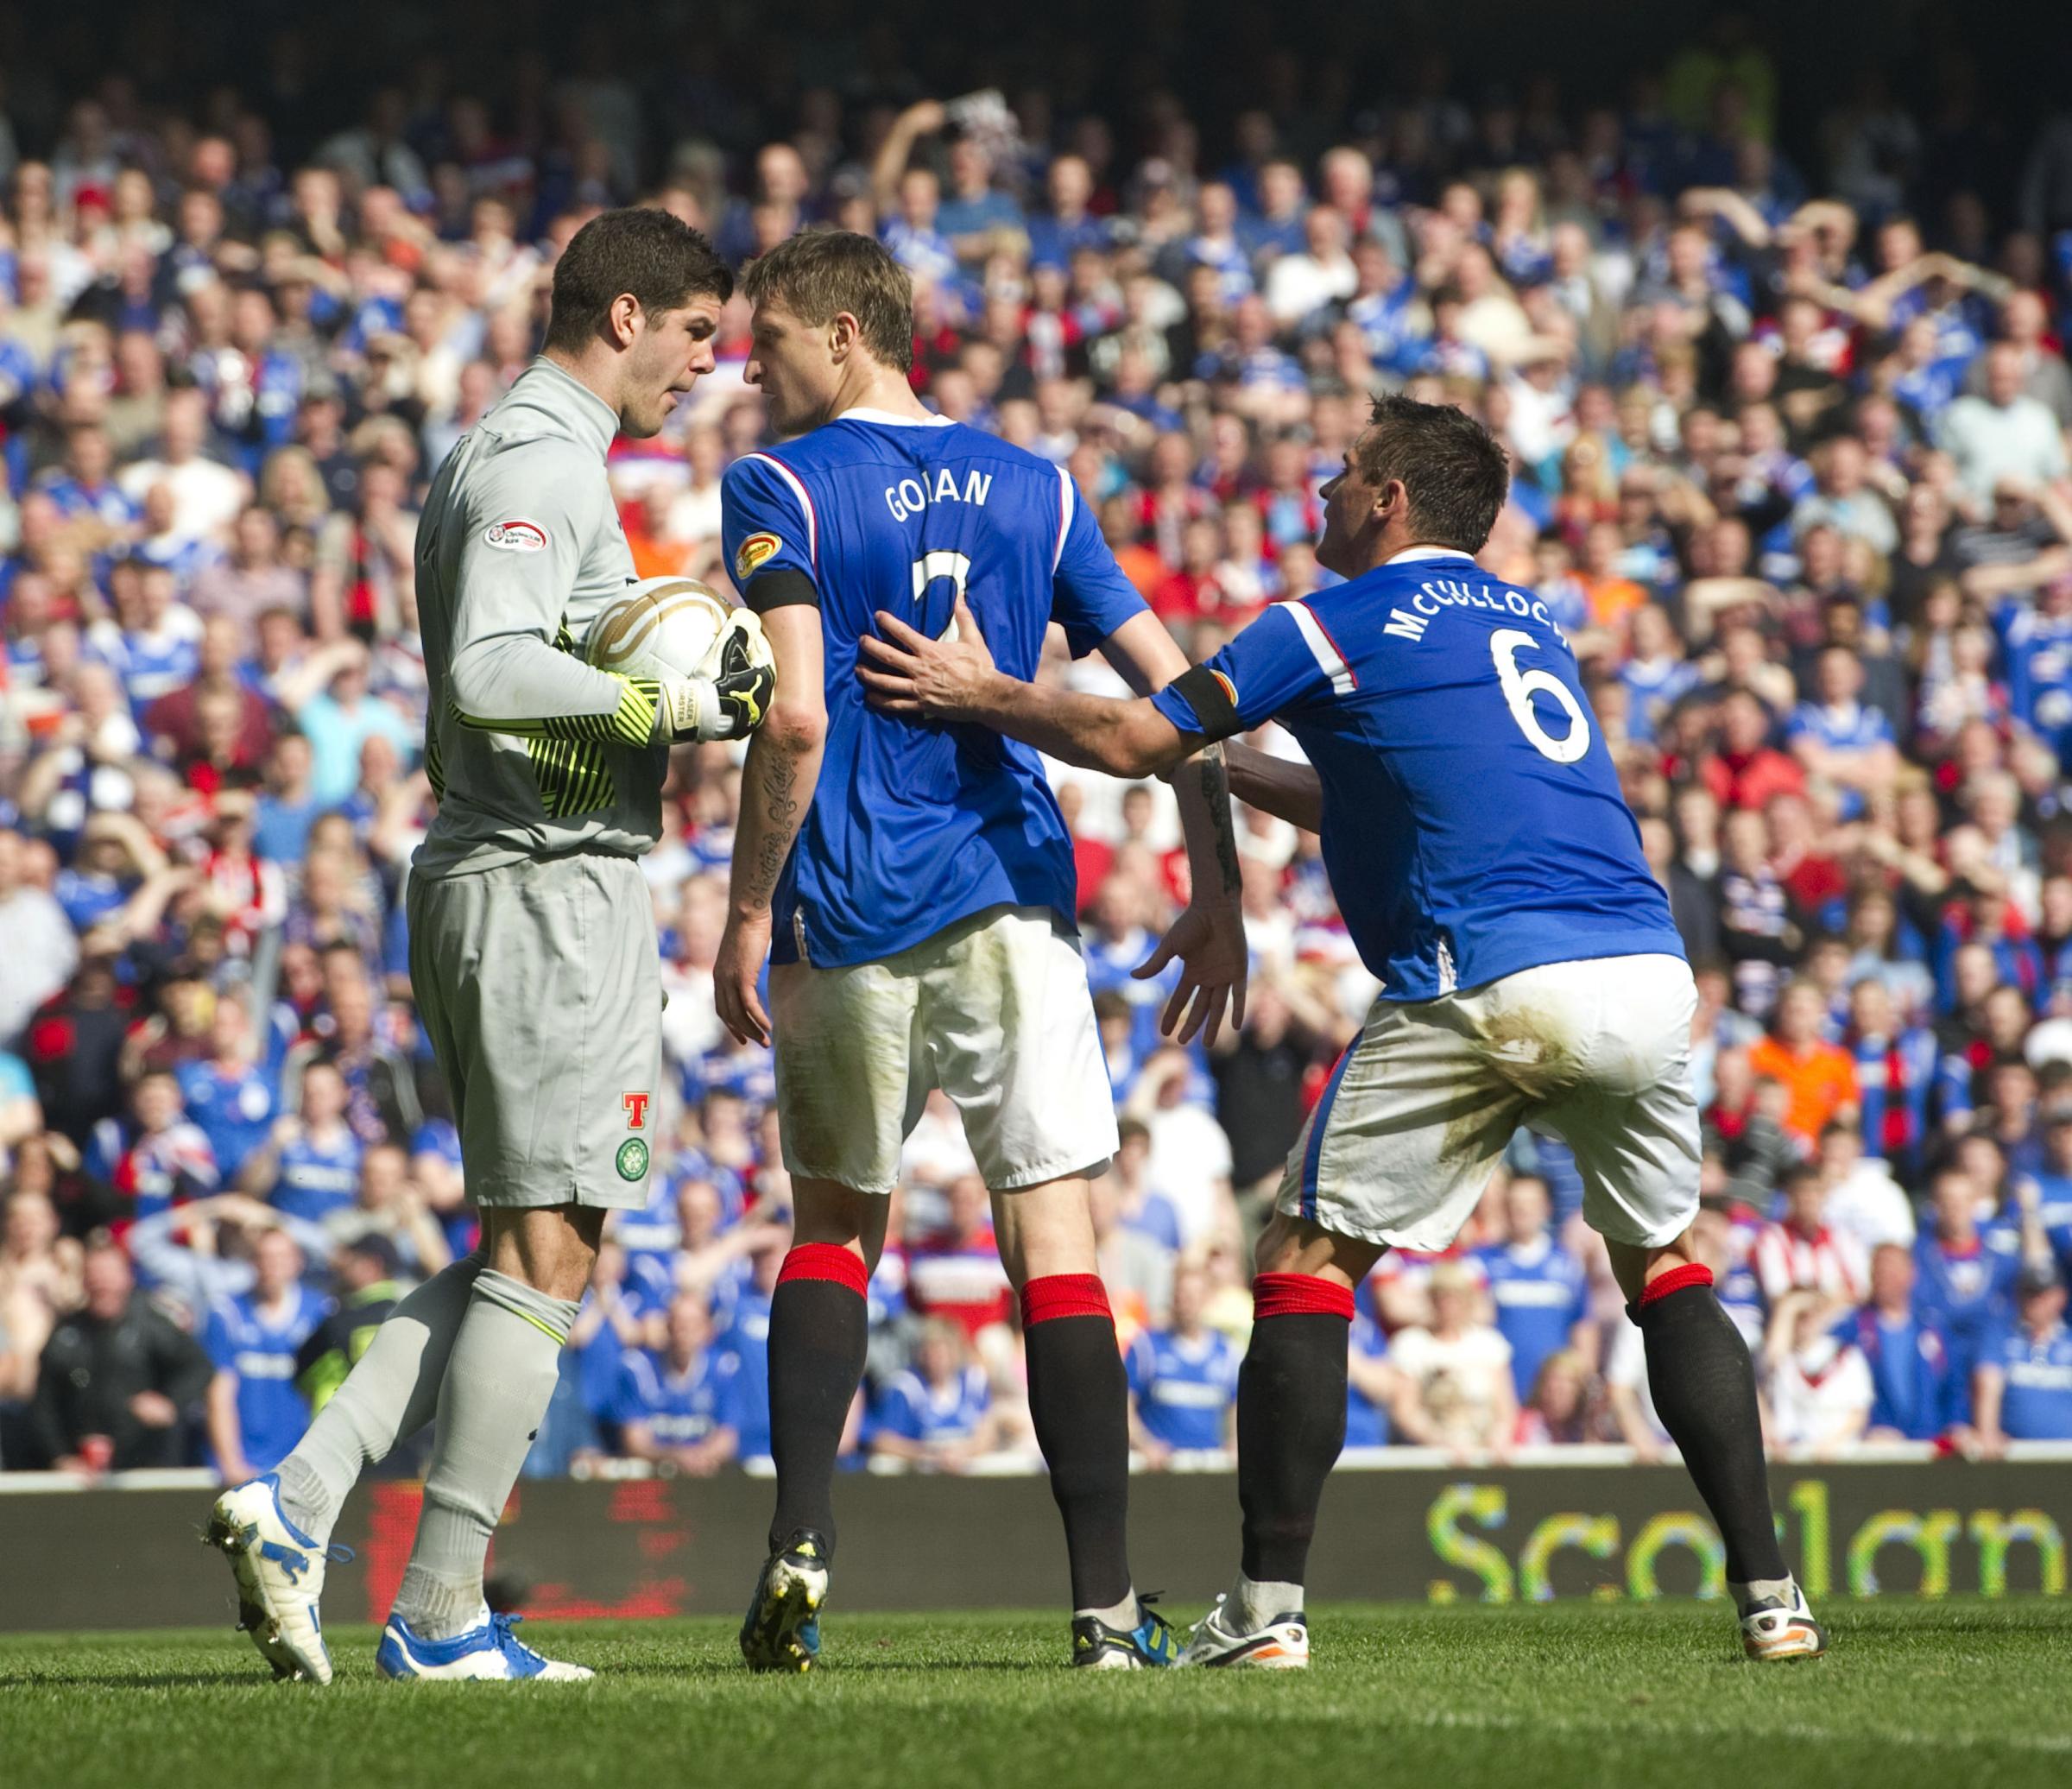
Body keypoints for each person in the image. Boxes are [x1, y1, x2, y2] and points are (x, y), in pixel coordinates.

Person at [862, 391, 1825, 1665]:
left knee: (1301, 1258)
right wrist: (1221, 772)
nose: (1322, 486)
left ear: (1390, 502)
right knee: (1663, 1263)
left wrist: (986, 692)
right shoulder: (1525, 618)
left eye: (1346, 471)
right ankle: (1775, 1601)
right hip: (1643, 970)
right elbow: (1391, 794)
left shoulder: (1336, 616)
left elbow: (1138, 728)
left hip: (1490, 973)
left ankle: (1265, 1613)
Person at [205, 208, 770, 1688]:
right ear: (628, 312)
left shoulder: (514, 450)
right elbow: (489, 663)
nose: (708, 364)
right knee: (553, 1248)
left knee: (534, 1242)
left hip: (507, 872)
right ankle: (441, 1612)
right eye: (699, 332)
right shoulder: (538, 456)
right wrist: (669, 706)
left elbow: (541, 645)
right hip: (541, 883)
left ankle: (303, 1498)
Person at [717, 229, 1243, 1672]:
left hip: (844, 897)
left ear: (842, 333)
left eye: (766, 341)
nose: (748, 370)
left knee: (834, 1229)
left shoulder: (776, 485)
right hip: (1013, 899)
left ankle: (800, 1546)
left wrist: (747, 908)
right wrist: (1218, 887)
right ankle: (1105, 1608)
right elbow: (1185, 691)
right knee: (1055, 1248)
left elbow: (802, 714)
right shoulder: (1042, 484)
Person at [30, 1239, 213, 1473]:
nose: (103, 1284)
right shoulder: (67, 1334)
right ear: (84, 1281)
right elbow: (44, 1406)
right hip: (82, 1473)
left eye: (110, 1274)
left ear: (128, 1278)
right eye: (95, 1275)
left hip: (148, 1466)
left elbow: (198, 1367)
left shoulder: (152, 1323)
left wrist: (170, 1402)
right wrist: (60, 1457)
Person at [1124, 1260, 1241, 1463]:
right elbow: (1124, 1407)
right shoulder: (1147, 1347)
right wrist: (1145, 1445)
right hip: (1161, 1470)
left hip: (1209, 1469)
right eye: (1181, 1296)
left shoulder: (1228, 1353)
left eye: (1193, 1297)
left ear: (1208, 1299)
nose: (1185, 1304)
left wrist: (1235, 1445)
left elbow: (1237, 1409)